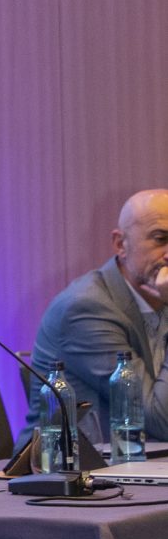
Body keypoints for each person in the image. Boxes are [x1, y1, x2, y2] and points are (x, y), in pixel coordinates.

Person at [32, 188, 168, 439]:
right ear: (121, 244)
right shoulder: (86, 308)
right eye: (160, 239)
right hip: (76, 461)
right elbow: (160, 420)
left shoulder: (162, 294)